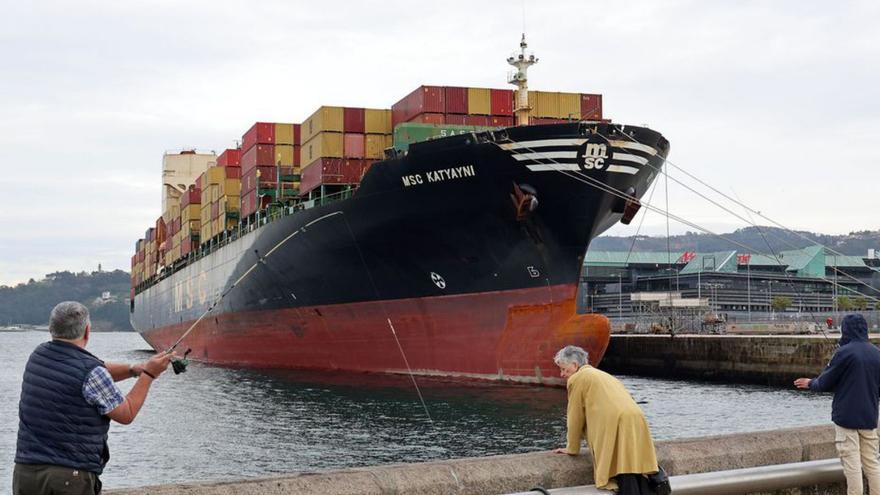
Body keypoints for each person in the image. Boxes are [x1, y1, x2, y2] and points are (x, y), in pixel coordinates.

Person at [13, 301, 175, 495]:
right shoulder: (91, 372)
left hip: (26, 473)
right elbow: (126, 413)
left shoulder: (38, 356)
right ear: (88, 331)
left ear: (51, 328)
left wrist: (134, 369)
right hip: (68, 477)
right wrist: (148, 375)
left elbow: (91, 372)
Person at [553, 345, 660, 494]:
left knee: (622, 468)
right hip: (636, 418)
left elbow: (575, 416)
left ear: (575, 365)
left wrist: (572, 448)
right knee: (634, 467)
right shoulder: (604, 375)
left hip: (616, 421)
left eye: (564, 369)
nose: (562, 374)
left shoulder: (577, 378)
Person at [795, 313, 880, 495]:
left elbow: (825, 383)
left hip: (846, 418)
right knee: (872, 462)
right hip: (870, 417)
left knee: (852, 464)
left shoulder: (844, 352)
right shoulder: (876, 353)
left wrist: (810, 383)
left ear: (845, 330)